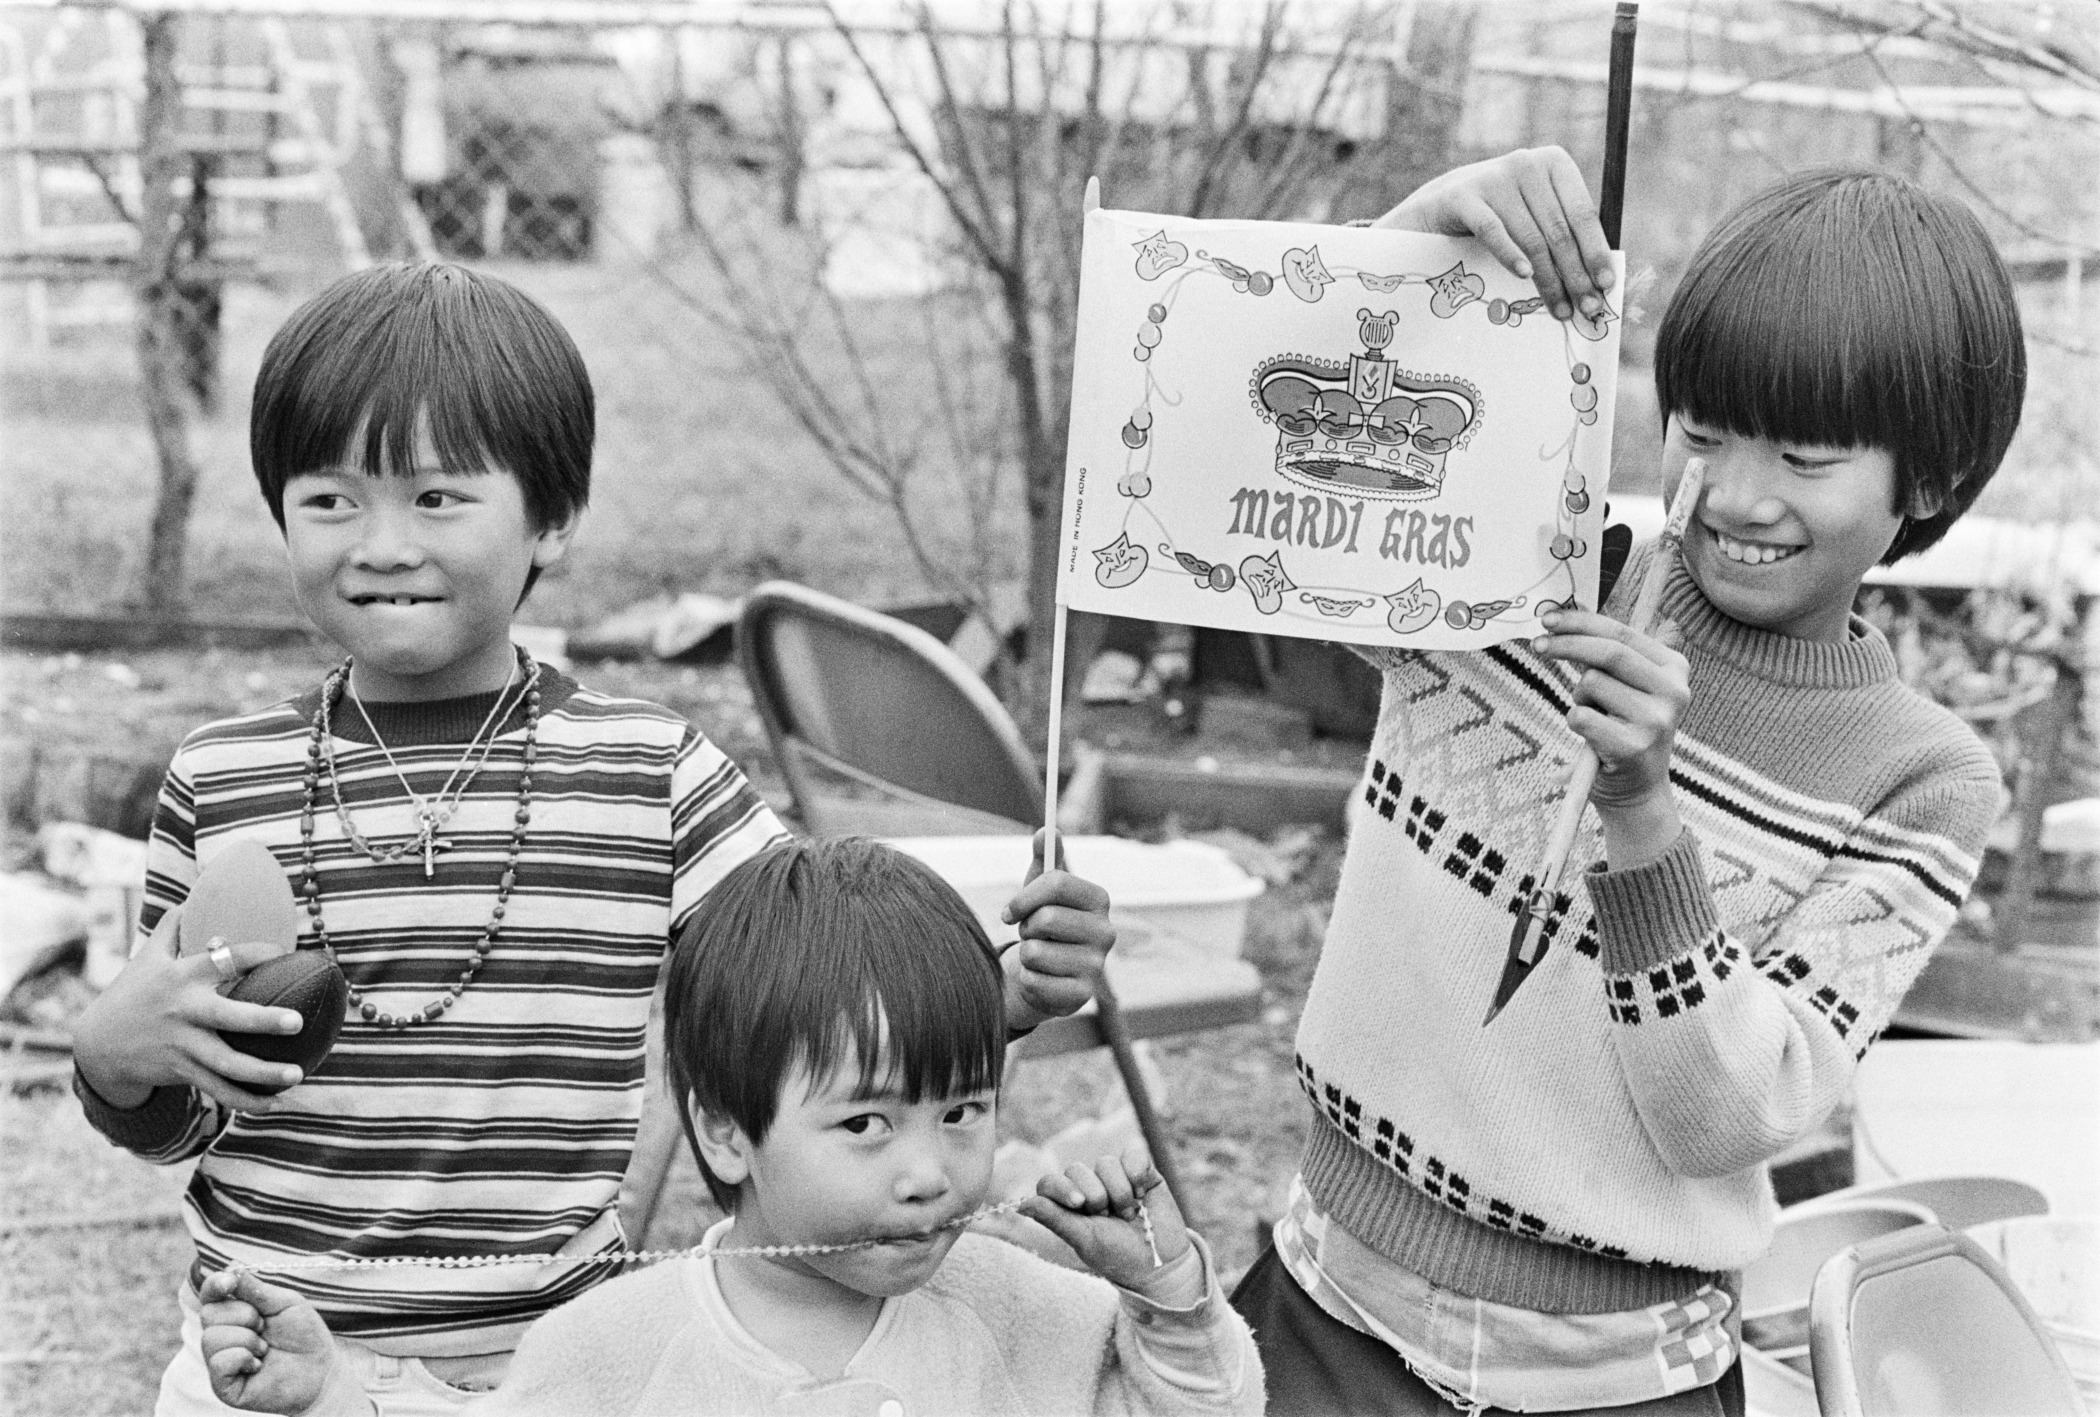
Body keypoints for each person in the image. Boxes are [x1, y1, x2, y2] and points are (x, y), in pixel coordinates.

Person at [67, 263, 1118, 1416]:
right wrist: (115, 1057)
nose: (379, 543)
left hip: (565, 1364)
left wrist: (1007, 988)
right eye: (330, 500)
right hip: (265, 1355)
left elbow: (818, 992)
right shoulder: (223, 779)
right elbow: (187, 1107)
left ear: (552, 520)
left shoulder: (648, 773)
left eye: (435, 498)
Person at [1230, 150, 2023, 1415]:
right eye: (1703, 433)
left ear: (1925, 482)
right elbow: (1252, 488)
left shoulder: (1921, 779)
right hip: (1327, 1317)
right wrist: (1410, 251)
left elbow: (1735, 1114)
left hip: (1615, 1385)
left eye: (1808, 460)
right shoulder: (1523, 559)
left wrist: (1646, 815)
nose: (1736, 496)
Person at [192, 837, 1263, 1417]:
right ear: (724, 1129)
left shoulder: (1033, 1315)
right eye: (867, 1123)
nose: (931, 1172)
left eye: (964, 1110)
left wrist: (1169, 1303)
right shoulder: (610, 1348)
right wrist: (331, 1396)